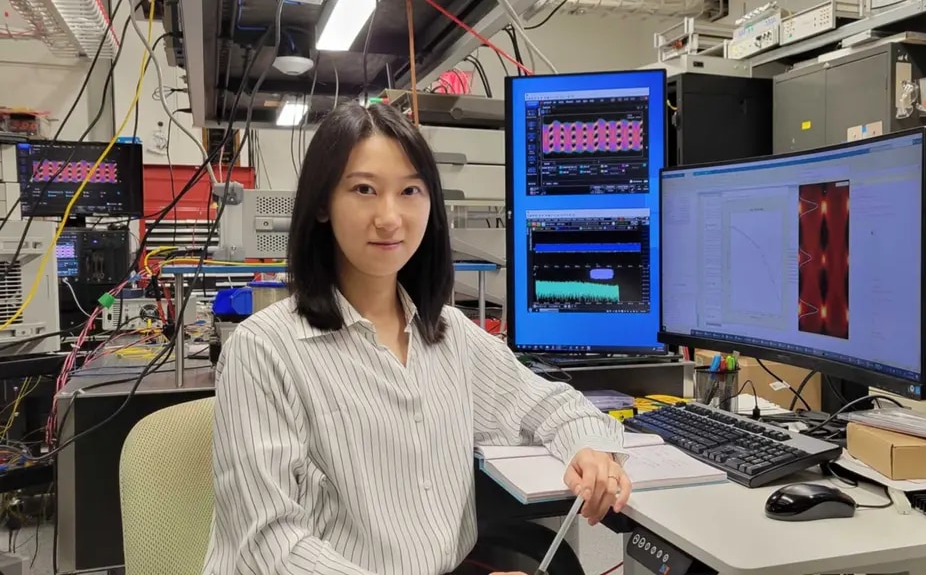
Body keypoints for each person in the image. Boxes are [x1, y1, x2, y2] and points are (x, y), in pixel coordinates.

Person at [202, 101, 633, 575]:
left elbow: (549, 405)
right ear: (323, 203)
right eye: (364, 189)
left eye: (410, 190)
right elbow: (270, 549)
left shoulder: (447, 335)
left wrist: (587, 450)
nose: (390, 218)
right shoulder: (264, 350)